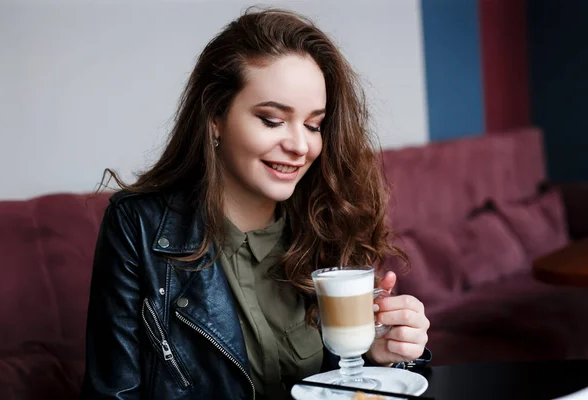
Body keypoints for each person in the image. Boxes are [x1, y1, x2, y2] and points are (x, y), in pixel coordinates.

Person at [81, 7, 431, 400]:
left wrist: (381, 355)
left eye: (314, 125)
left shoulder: (329, 218)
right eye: (272, 120)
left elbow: (343, 386)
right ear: (216, 116)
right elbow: (112, 394)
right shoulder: (139, 226)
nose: (300, 146)